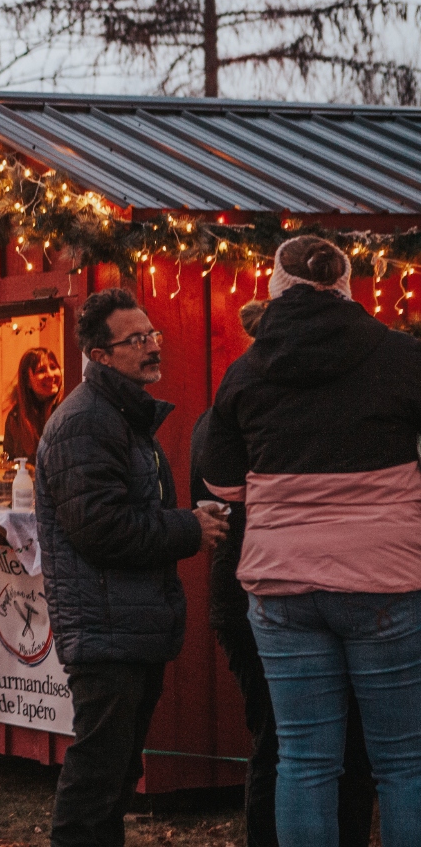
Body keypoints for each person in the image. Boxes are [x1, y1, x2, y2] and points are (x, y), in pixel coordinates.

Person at [200, 236, 421, 847]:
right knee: (402, 762)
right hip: (385, 579)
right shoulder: (402, 358)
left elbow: (220, 481)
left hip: (282, 584)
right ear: (347, 286)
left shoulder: (246, 371)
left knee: (304, 759)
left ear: (276, 287)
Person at [34, 288, 227, 847]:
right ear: (100, 355)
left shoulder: (121, 417)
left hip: (129, 622)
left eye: (153, 335)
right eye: (135, 340)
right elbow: (101, 528)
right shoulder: (85, 423)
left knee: (115, 778)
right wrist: (189, 527)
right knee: (97, 779)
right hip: (104, 627)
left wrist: (186, 520)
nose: (151, 347)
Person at [193, 298, 374, 847]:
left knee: (304, 746)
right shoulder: (250, 399)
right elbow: (215, 488)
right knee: (293, 744)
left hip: (271, 584)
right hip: (268, 587)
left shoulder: (239, 395)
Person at [3, 347, 63, 461]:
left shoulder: (67, 406)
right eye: (41, 370)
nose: (50, 375)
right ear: (27, 381)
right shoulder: (16, 416)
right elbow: (9, 461)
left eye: (53, 367)